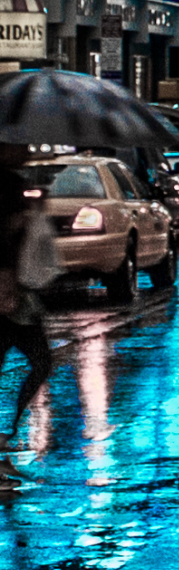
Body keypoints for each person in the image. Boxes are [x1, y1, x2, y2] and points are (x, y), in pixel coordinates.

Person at [0, 158, 53, 472]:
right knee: (40, 361)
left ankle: (5, 436)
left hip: (16, 298)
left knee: (39, 362)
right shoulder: (8, 184)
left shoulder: (13, 180)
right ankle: (5, 433)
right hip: (12, 300)